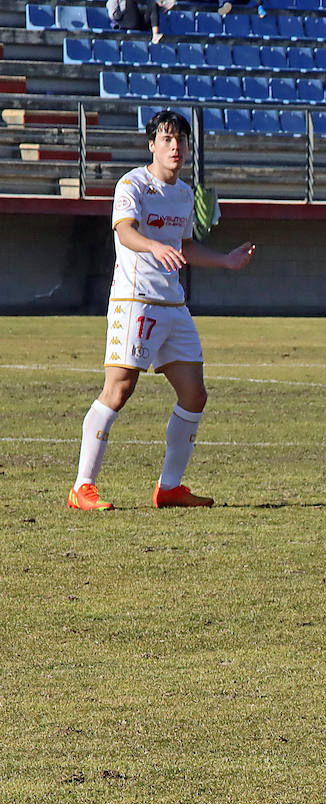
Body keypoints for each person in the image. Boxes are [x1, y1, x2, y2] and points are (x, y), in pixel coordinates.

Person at [68, 110, 255, 512]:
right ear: (151, 144)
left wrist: (225, 260)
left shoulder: (184, 194)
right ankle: (82, 486)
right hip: (135, 301)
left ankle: (169, 488)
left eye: (181, 140)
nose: (176, 147)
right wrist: (153, 245)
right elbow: (125, 229)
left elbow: (184, 247)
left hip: (173, 305)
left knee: (194, 393)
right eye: (167, 139)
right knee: (119, 390)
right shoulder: (133, 184)